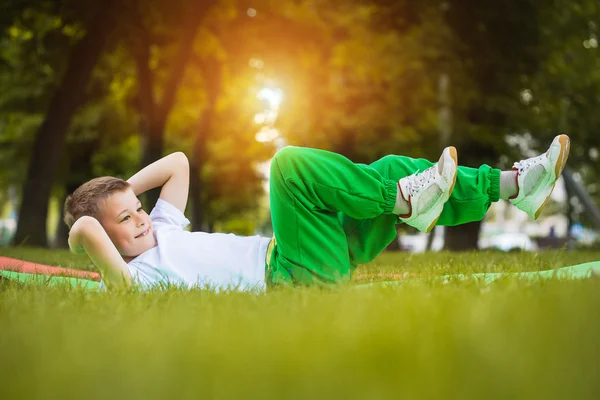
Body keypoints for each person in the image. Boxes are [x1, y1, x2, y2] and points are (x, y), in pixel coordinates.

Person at [65, 134, 571, 290]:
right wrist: (92, 224)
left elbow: (178, 163)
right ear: (105, 244)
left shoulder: (164, 227)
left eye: (138, 209)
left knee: (393, 168)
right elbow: (87, 225)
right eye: (127, 219)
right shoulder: (137, 275)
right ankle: (403, 202)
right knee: (287, 165)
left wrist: (120, 192)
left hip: (308, 251)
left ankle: (517, 185)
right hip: (287, 273)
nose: (142, 218)